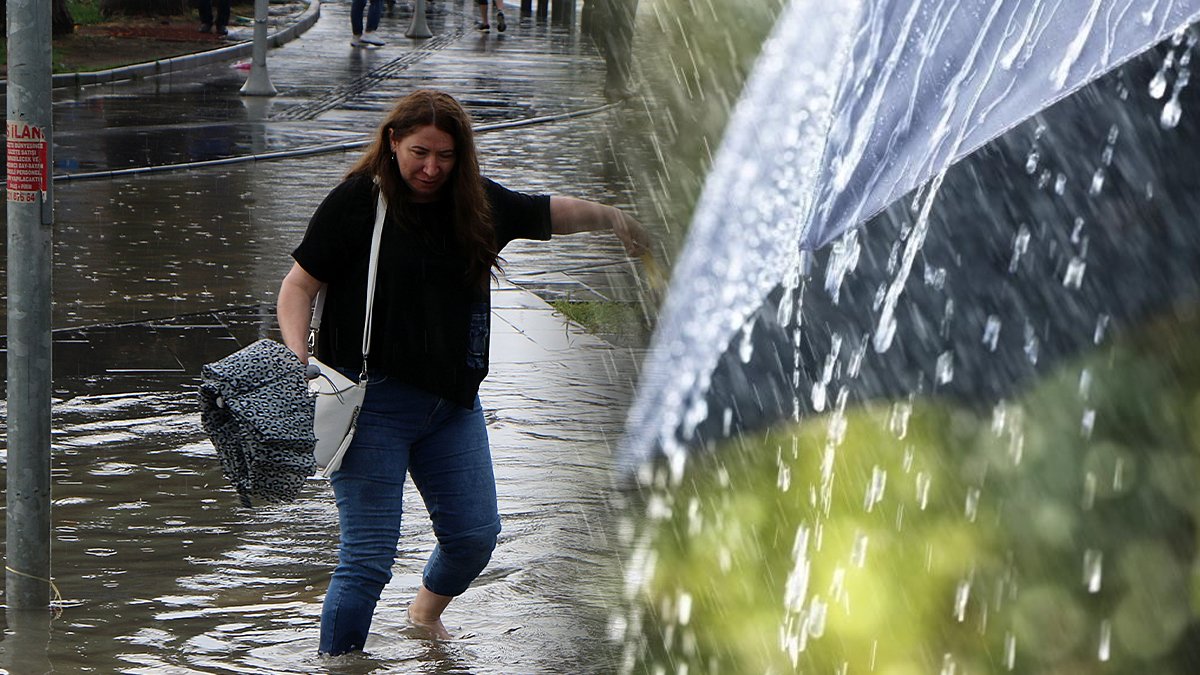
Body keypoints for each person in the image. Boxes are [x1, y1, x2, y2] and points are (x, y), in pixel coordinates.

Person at [276, 89, 651, 654]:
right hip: (368, 405)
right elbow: (299, 285)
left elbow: (545, 211)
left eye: (446, 156)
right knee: (367, 562)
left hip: (452, 406)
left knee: (474, 537)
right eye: (420, 152)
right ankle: (339, 666)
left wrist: (616, 219)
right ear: (393, 142)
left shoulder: (475, 203)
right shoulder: (359, 201)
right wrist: (296, 367)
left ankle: (424, 615)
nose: (431, 168)